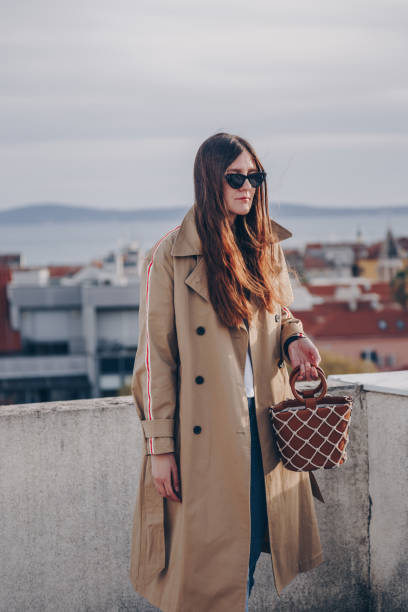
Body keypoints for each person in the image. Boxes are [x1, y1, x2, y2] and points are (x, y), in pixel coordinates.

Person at [129, 132, 324, 612]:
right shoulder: (170, 256)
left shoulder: (263, 245)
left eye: (255, 177)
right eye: (235, 177)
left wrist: (295, 339)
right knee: (206, 571)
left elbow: (279, 316)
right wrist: (159, 448)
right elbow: (155, 361)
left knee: (248, 557)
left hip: (264, 428)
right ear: (208, 180)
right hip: (203, 441)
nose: (248, 187)